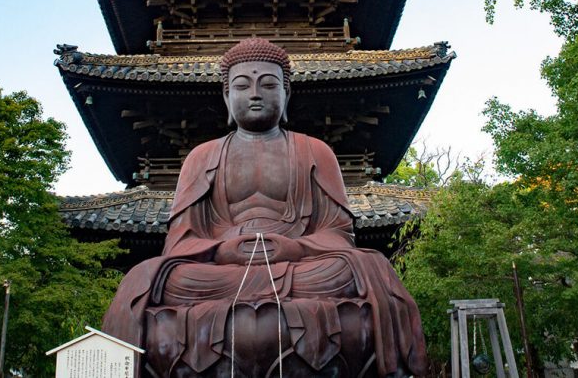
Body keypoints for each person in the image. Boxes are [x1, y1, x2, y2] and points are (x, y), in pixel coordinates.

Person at [103, 38, 428, 377]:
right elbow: (181, 241)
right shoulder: (202, 157)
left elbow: (339, 234)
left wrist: (295, 245)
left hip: (299, 267)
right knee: (149, 276)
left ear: (286, 94)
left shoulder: (315, 151)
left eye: (269, 84)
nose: (255, 93)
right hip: (221, 272)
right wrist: (223, 249)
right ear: (227, 96)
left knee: (364, 267)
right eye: (242, 85)